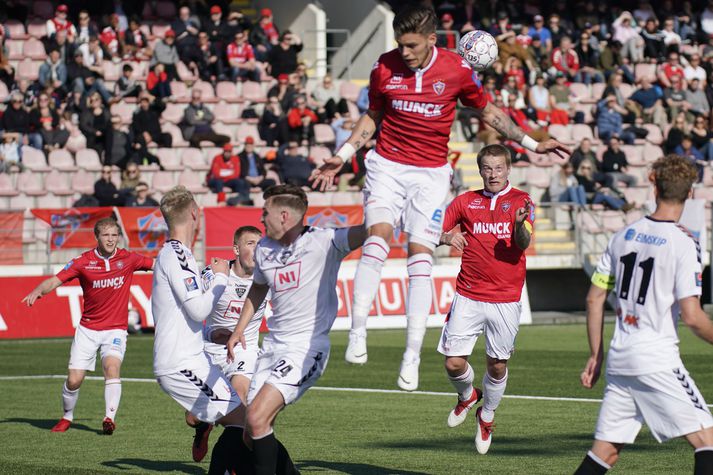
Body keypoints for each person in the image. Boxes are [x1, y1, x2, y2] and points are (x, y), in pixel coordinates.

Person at [311, 5, 568, 390]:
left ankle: (412, 355)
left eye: (412, 45)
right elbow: (372, 117)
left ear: (432, 40)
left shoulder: (457, 71)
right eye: (400, 44)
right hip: (387, 165)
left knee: (420, 253)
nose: (405, 52)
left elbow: (491, 114)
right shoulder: (384, 67)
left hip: (431, 173)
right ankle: (358, 330)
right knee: (377, 234)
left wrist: (532, 143)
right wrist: (342, 156)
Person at [575, 154, 713, 475]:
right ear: (690, 193)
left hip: (621, 359)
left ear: (655, 187)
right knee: (708, 440)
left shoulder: (622, 236)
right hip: (656, 359)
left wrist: (595, 355)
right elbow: (692, 316)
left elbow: (594, 299)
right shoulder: (684, 243)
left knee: (605, 453)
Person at [225, 184, 367, 474]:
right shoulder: (264, 249)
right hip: (273, 347)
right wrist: (239, 329)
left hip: (306, 348)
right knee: (250, 433)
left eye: (266, 213)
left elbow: (369, 231)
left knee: (257, 418)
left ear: (285, 216)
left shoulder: (326, 241)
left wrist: (426, 232)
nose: (261, 219)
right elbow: (259, 288)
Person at [437, 144, 534, 455]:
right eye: (487, 169)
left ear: (508, 170)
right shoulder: (465, 201)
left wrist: (519, 225)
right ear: (480, 171)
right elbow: (432, 228)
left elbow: (523, 243)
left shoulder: (522, 201)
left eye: (499, 168)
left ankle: (487, 415)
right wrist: (447, 236)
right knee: (453, 363)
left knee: (497, 365)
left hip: (506, 297)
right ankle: (467, 395)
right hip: (468, 294)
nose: (493, 174)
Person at [151, 186, 253, 475]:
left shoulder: (176, 254)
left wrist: (211, 330)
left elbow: (183, 313)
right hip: (180, 363)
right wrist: (221, 279)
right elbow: (199, 310)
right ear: (195, 213)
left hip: (193, 358)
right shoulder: (177, 254)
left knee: (243, 420)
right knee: (241, 420)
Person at [21, 218, 153, 434]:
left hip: (115, 329)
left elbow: (157, 264)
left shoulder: (129, 258)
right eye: (106, 235)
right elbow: (55, 280)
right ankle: (67, 416)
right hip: (88, 330)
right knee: (74, 380)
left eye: (114, 235)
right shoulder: (83, 262)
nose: (111, 239)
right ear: (97, 237)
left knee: (112, 368)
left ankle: (109, 418)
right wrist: (38, 290)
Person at [190, 226, 267, 463]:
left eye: (259, 243)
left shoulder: (267, 276)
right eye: (250, 243)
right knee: (192, 418)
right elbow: (192, 309)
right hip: (211, 350)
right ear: (236, 248)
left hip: (245, 349)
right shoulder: (214, 275)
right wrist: (214, 333)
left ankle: (233, 464)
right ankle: (203, 428)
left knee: (239, 400)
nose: (257, 249)